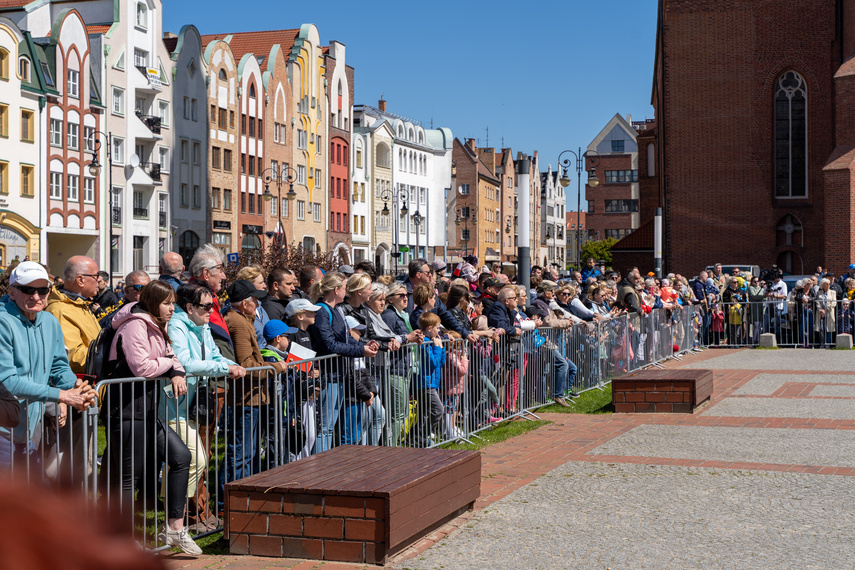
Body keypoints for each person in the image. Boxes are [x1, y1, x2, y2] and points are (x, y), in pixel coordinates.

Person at [101, 280, 200, 555]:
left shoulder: (157, 325)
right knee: (127, 478)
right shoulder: (135, 324)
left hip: (146, 409)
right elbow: (142, 366)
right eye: (168, 303)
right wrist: (171, 365)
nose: (173, 308)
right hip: (125, 408)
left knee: (180, 457)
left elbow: (172, 357)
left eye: (173, 303)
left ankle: (175, 528)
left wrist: (176, 371)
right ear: (153, 303)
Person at [0, 262, 95, 471]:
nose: (36, 296)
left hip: (25, 432)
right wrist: (62, 396)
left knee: (32, 497)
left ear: (49, 291)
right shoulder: (2, 322)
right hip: (3, 430)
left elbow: (59, 367)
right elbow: (6, 381)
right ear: (12, 292)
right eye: (28, 289)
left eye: (42, 290)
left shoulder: (50, 321)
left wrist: (77, 388)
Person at [168, 282, 245, 533]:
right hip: (174, 403)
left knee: (190, 461)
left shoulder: (201, 325)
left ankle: (176, 518)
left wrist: (230, 364)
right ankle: (181, 519)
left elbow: (213, 355)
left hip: (194, 401)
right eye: (206, 306)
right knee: (193, 460)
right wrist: (225, 369)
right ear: (189, 307)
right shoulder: (177, 325)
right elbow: (186, 363)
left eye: (213, 306)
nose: (211, 311)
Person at [220, 280, 286, 496]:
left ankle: (238, 498)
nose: (258, 303)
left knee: (246, 452)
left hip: (252, 396)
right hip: (245, 397)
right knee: (241, 452)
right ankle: (230, 501)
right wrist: (274, 367)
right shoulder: (238, 322)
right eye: (255, 299)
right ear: (244, 303)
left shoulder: (243, 319)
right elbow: (246, 365)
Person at [307, 272, 378, 452]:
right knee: (326, 428)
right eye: (345, 287)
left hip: (339, 374)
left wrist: (363, 345)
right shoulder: (322, 311)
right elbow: (329, 344)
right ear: (336, 289)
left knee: (329, 427)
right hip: (328, 375)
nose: (346, 291)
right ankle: (320, 469)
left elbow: (346, 339)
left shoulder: (336, 310)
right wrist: (360, 350)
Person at [381, 282, 423, 444]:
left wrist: (415, 338)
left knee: (403, 412)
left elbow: (405, 338)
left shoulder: (402, 314)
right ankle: (389, 448)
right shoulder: (389, 316)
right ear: (390, 299)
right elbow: (388, 340)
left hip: (404, 367)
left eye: (407, 295)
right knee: (397, 414)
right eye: (401, 295)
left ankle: (393, 445)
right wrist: (409, 338)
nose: (406, 298)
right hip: (394, 368)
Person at [46, 256, 101, 373]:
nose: (99, 280)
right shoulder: (60, 309)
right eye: (96, 276)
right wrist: (109, 358)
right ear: (80, 280)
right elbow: (74, 357)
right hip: (79, 386)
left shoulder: (80, 304)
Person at [404, 259, 479, 343]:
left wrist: (466, 334)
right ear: (418, 274)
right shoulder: (402, 292)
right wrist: (443, 337)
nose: (430, 275)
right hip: (412, 345)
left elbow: (447, 316)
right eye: (427, 273)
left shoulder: (431, 293)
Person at [189, 244, 233, 360]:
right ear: (206, 274)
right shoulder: (193, 297)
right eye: (220, 270)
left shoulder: (209, 295)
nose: (223, 276)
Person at [415, 312, 446, 445]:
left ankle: (415, 438)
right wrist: (437, 347)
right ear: (429, 328)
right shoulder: (425, 344)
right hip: (425, 383)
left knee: (425, 414)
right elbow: (432, 363)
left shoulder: (432, 343)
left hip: (432, 382)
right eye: (437, 328)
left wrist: (441, 348)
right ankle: (420, 437)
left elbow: (441, 363)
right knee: (438, 410)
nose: (439, 330)